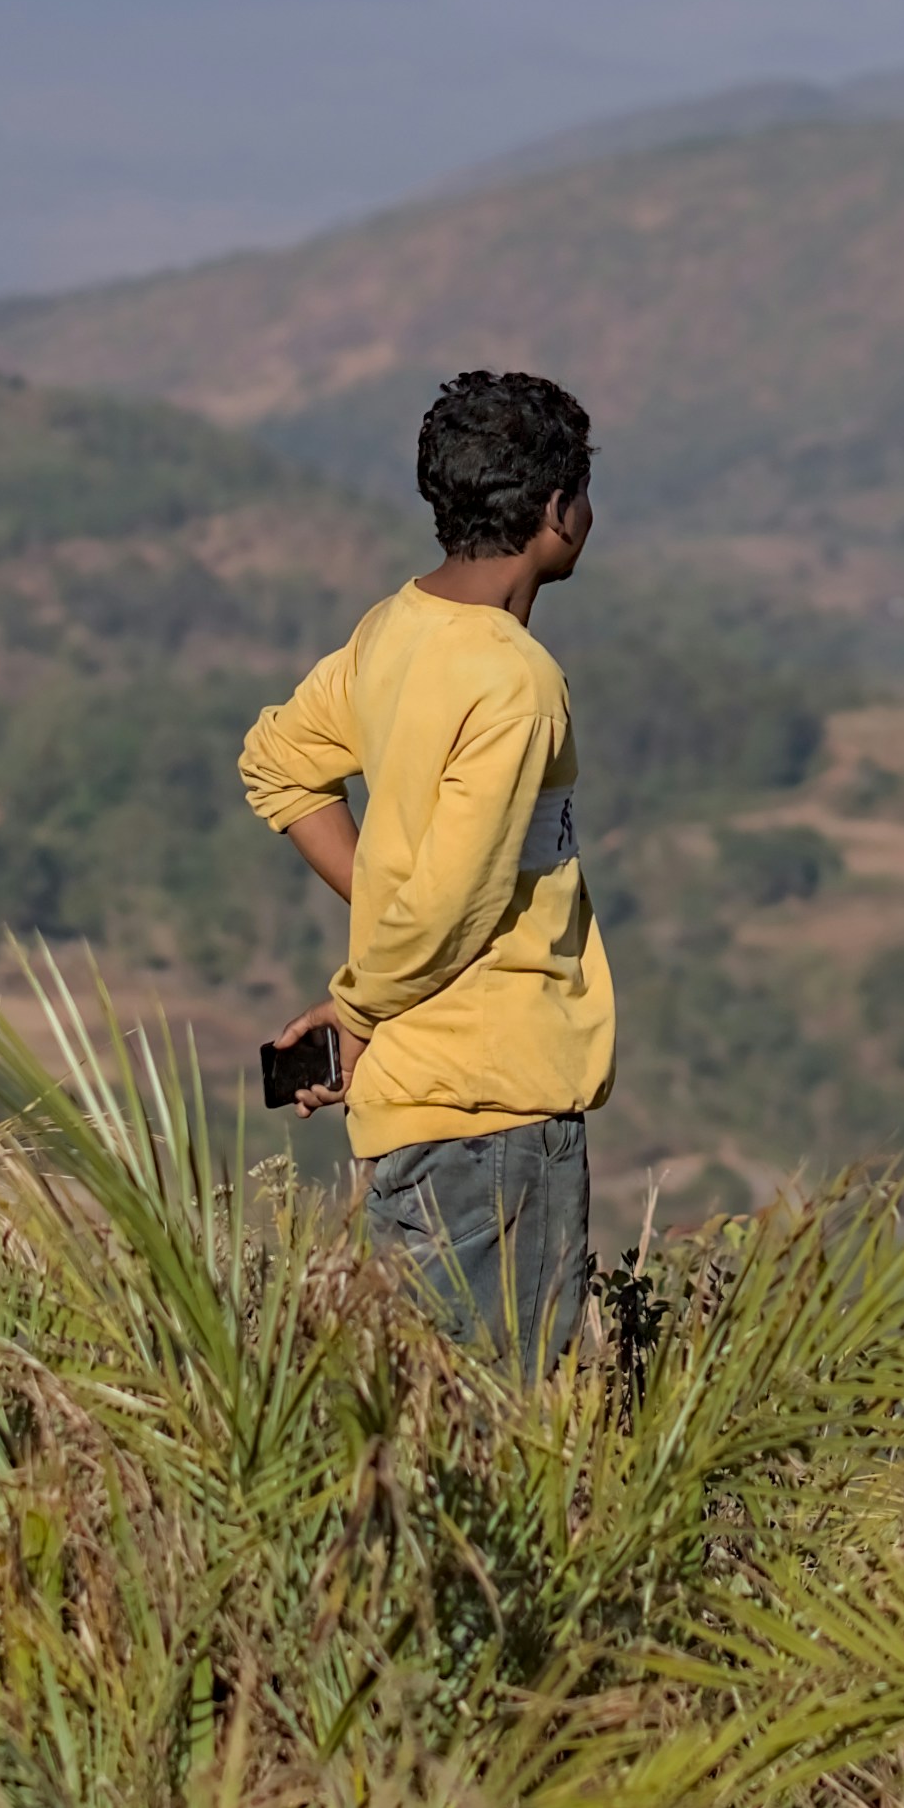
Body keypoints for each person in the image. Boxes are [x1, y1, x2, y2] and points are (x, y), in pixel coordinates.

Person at [236, 367, 610, 1360]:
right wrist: (364, 997)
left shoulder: (391, 633)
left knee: (418, 1430)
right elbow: (452, 899)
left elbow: (279, 764)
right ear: (556, 510)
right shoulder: (515, 682)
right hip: (491, 1108)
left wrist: (385, 923)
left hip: (411, 1112)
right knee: (496, 1438)